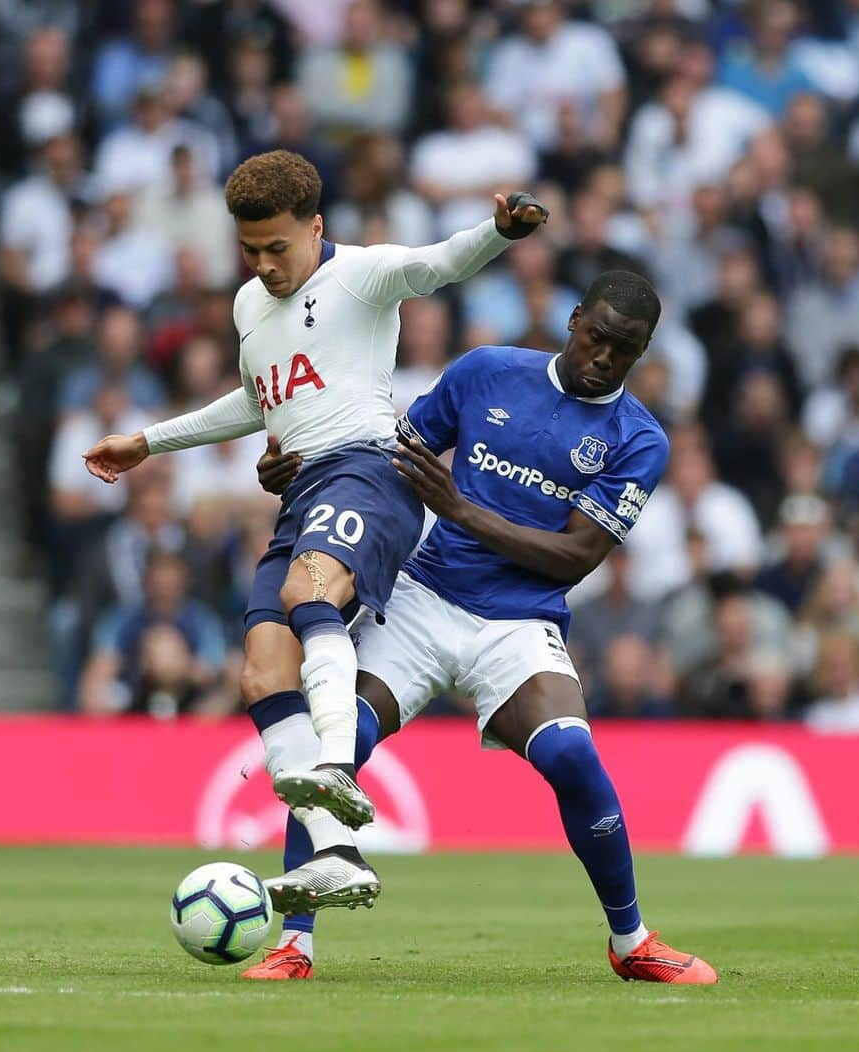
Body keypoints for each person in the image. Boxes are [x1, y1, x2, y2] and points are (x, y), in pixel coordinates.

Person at [245, 271, 717, 986]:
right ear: (574, 317)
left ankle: (632, 940)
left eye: (624, 351)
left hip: (521, 620)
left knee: (572, 757)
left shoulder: (638, 439)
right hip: (424, 598)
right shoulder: (487, 371)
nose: (602, 359)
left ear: (642, 351)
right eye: (596, 338)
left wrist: (462, 510)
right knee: (335, 748)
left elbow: (576, 556)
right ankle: (295, 945)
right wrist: (307, 472)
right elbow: (391, 463)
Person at [82, 150, 547, 858]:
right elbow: (255, 398)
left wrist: (500, 232)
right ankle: (334, 852)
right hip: (302, 495)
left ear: (316, 226)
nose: (264, 264)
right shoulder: (247, 304)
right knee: (263, 672)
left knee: (309, 589)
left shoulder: (359, 275)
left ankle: (336, 761)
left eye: (277, 247)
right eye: (249, 249)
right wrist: (148, 442)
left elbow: (438, 264)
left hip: (370, 473)